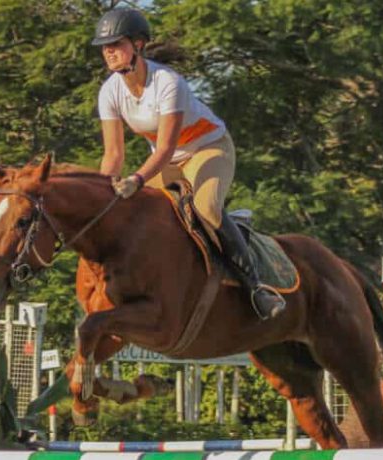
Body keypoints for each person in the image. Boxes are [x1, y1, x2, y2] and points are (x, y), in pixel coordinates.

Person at [92, 8, 285, 320]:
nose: (109, 51)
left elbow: (167, 147)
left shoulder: (168, 82)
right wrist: (101, 196)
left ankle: (256, 288)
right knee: (131, 211)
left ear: (139, 45)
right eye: (105, 46)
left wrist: (137, 180)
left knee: (206, 207)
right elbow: (113, 155)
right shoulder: (109, 92)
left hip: (208, 149)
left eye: (117, 43)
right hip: (167, 161)